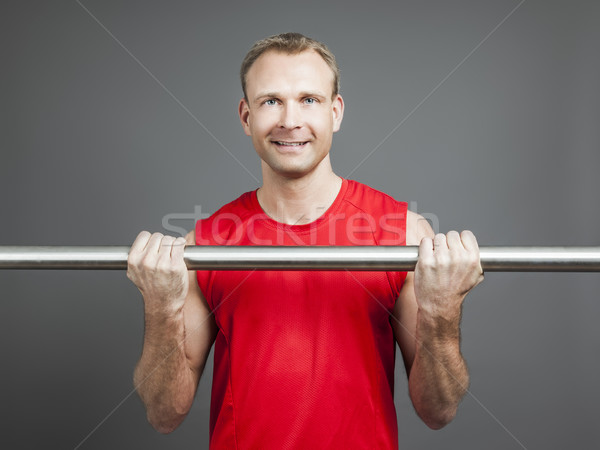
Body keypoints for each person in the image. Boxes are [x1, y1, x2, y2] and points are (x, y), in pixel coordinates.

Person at [126, 32, 484, 449]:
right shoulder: (204, 246)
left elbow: (438, 411)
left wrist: (442, 312)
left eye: (309, 100)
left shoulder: (402, 235)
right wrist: (160, 307)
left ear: (335, 112)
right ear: (246, 117)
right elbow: (164, 414)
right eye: (270, 101)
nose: (289, 121)